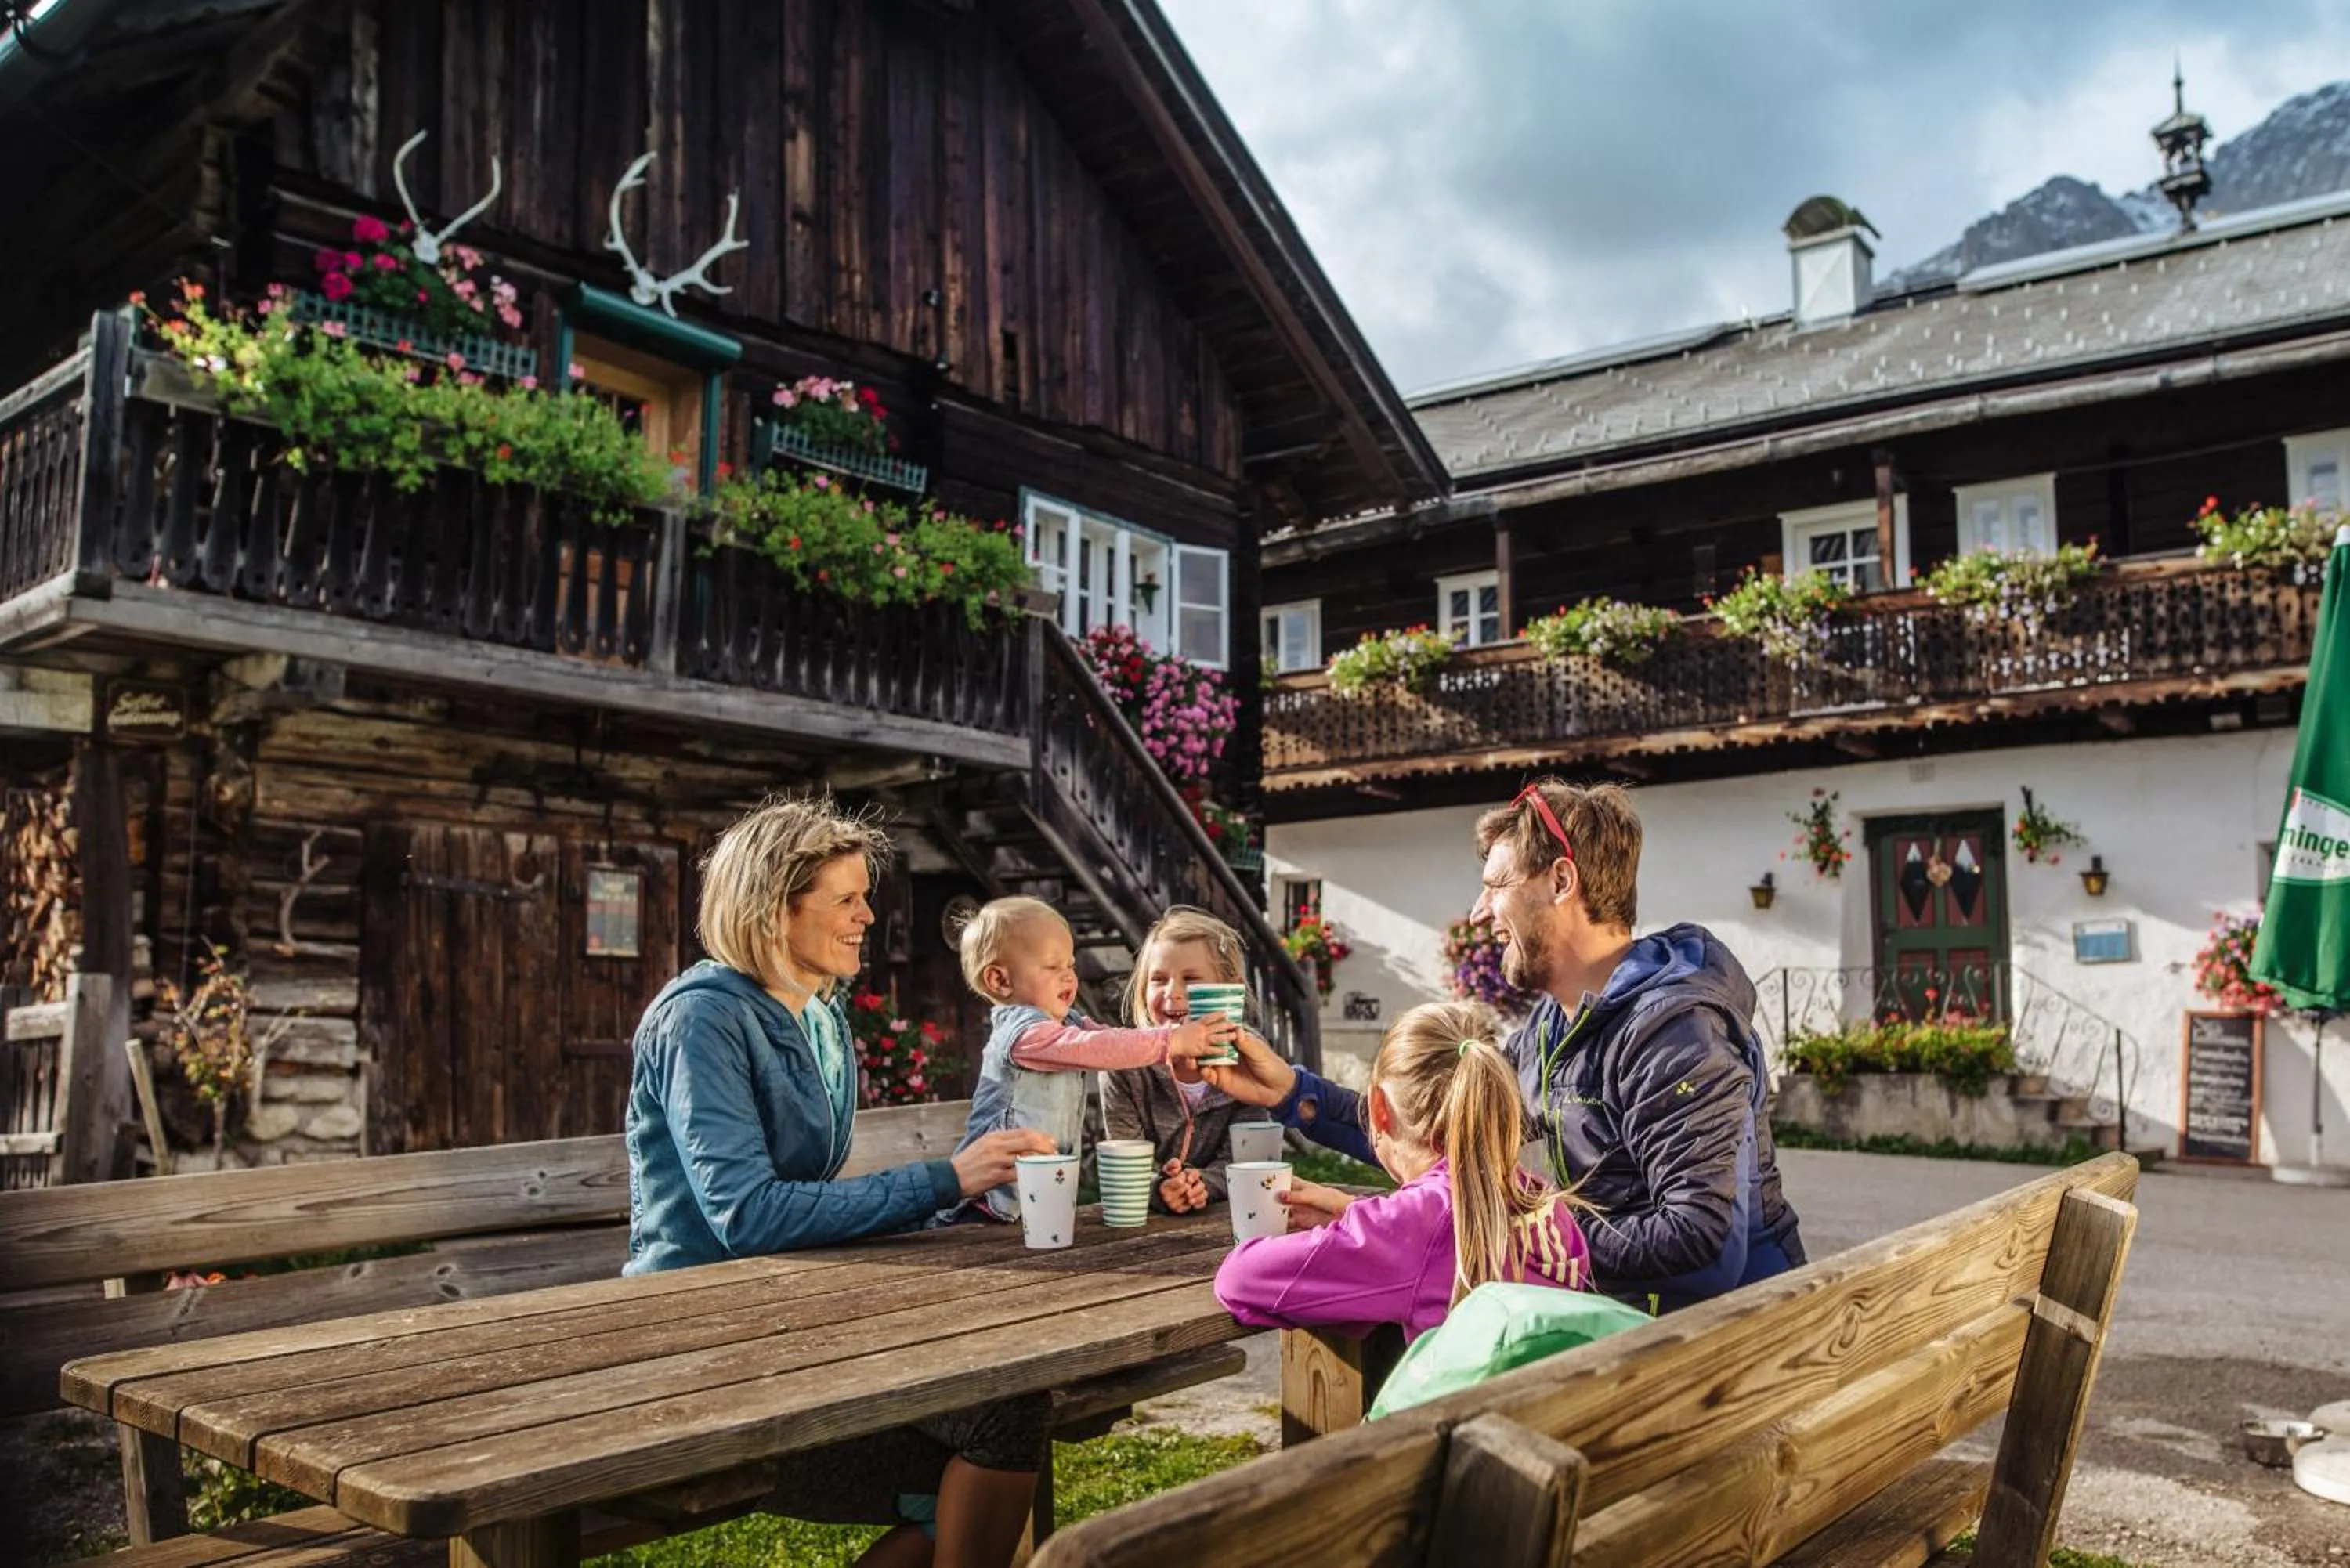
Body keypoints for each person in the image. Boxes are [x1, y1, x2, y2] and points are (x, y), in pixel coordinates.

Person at [624, 797, 1054, 1568]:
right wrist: (940, 1180)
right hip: (694, 1339)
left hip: (793, 1311)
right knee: (1002, 1423)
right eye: (847, 898)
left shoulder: (818, 1015)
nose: (867, 915)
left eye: (865, 895)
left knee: (1012, 1408)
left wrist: (964, 1199)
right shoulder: (700, 1021)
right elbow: (747, 1214)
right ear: (772, 907)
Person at [1205, 779, 1804, 1315]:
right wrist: (1293, 1094)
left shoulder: (1675, 1034)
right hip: (1638, 1331)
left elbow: (1700, 1242)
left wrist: (1496, 1238)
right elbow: (1444, 1130)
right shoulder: (1553, 1027)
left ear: (1561, 881)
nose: (1478, 912)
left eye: (1496, 885)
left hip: (1734, 1343)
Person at [1214, 1000, 1590, 1341]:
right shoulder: (1540, 1200)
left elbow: (1240, 1278)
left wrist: (1367, 1222)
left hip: (1454, 1416)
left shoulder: (1417, 1224)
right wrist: (1357, 1213)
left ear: (1378, 1107)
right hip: (1540, 1409)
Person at [945, 896, 1236, 1220]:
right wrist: (1170, 1041)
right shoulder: (1025, 1034)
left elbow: (1109, 1040)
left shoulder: (1066, 1023)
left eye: (1070, 965)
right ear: (999, 980)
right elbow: (1096, 1048)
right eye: (1053, 967)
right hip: (986, 1201)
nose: (1069, 977)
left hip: (1031, 1201)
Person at [1103, 907, 1285, 1214]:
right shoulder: (1125, 1064)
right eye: (1158, 979)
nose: (1173, 994)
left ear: (1230, 989)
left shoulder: (1248, 1056)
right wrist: (1160, 1188)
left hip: (1231, 1221)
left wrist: (1204, 1182)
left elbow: (1247, 1155)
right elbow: (1125, 1158)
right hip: (1142, 1230)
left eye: (1191, 979)